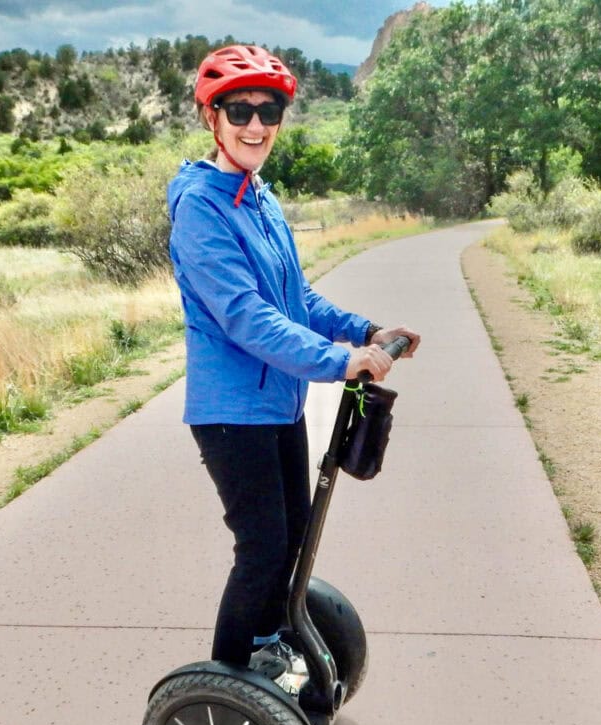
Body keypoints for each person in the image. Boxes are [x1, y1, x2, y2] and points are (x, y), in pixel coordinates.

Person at [167, 44, 420, 674]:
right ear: (212, 118)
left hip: (279, 400)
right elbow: (246, 317)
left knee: (295, 540)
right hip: (231, 412)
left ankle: (271, 647)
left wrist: (363, 330)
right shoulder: (200, 206)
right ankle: (227, 689)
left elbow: (294, 297)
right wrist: (340, 363)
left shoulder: (260, 195)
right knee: (261, 548)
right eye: (240, 109)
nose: (256, 124)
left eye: (269, 110)